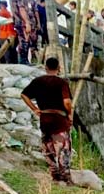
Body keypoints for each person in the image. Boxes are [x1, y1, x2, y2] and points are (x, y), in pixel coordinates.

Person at [20, 56, 73, 184]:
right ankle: (64, 176)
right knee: (63, 148)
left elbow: (23, 95)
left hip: (45, 118)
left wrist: (34, 109)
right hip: (59, 119)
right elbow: (67, 102)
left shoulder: (38, 81)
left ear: (46, 68)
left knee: (48, 146)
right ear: (58, 68)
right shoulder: (62, 83)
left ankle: (54, 175)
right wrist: (70, 113)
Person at [9, 0, 40, 65]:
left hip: (27, 22)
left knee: (28, 41)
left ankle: (26, 60)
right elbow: (21, 9)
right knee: (24, 40)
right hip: (22, 22)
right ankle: (23, 60)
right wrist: (27, 22)